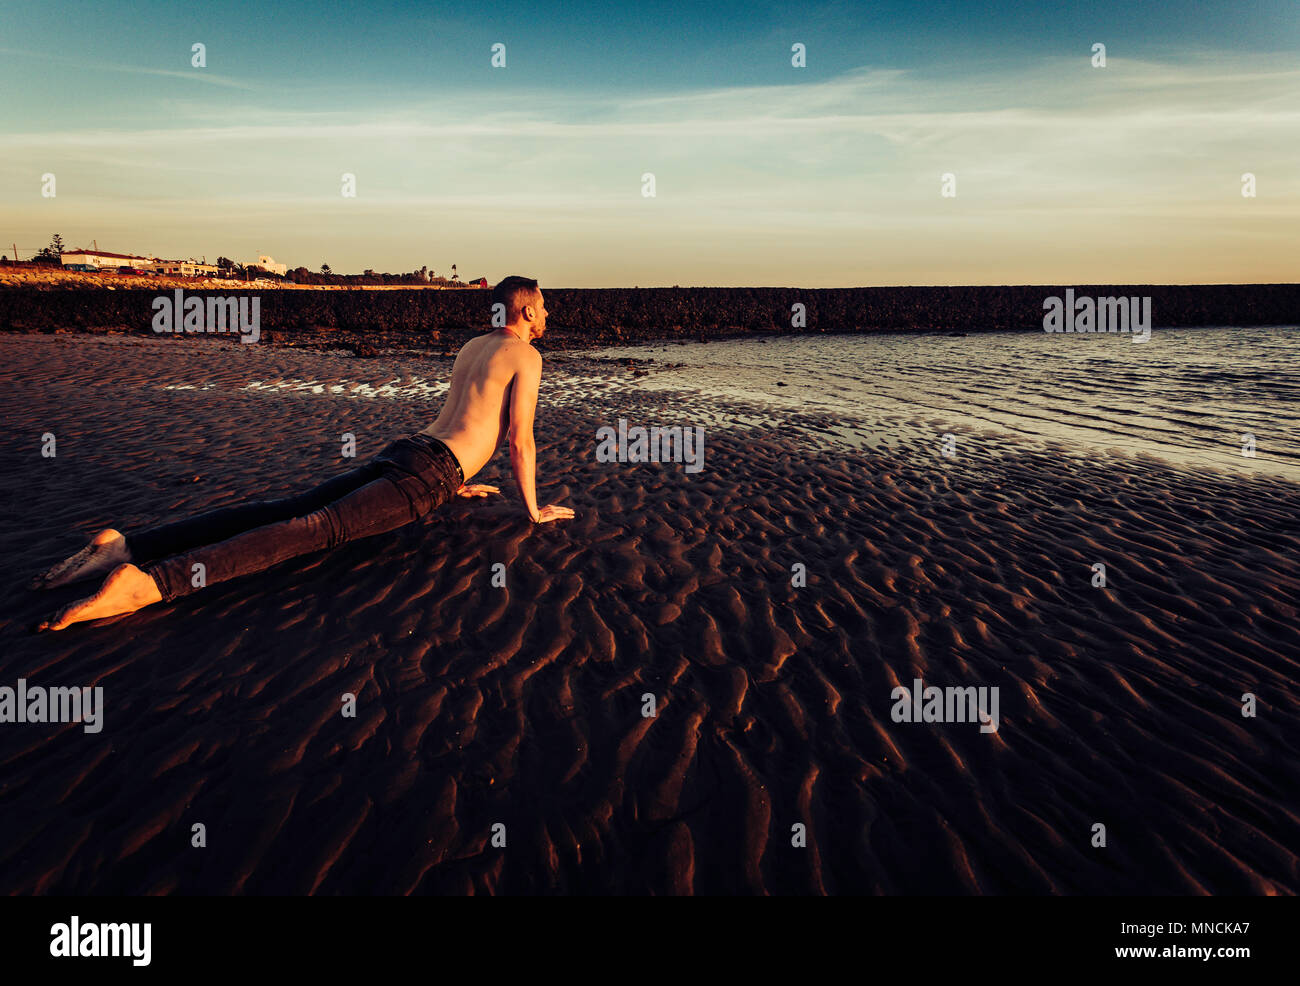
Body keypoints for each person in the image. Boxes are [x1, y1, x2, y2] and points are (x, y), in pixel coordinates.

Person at [32, 275, 574, 632]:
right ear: (526, 311)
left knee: (281, 508)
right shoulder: (525, 356)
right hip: (428, 473)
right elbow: (517, 438)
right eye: (544, 307)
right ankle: (150, 583)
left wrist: (456, 480)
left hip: (412, 450)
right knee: (315, 528)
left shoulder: (473, 345)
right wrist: (532, 509)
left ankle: (127, 546)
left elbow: (463, 415)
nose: (548, 314)